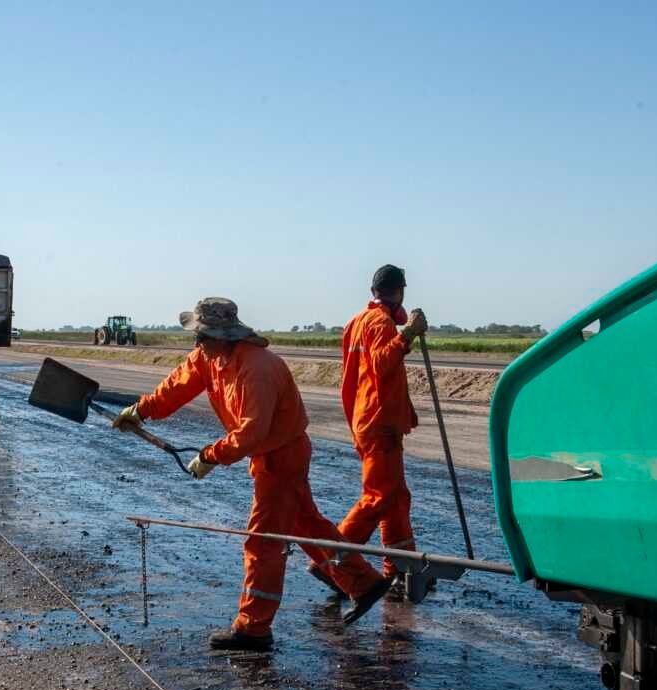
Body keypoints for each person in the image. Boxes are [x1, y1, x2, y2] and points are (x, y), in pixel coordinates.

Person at [113, 297, 392, 652]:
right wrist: (142, 410)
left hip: (281, 456)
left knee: (262, 542)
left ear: (224, 335)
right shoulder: (210, 357)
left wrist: (210, 456)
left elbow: (251, 433)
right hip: (270, 454)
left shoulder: (255, 368)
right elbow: (178, 384)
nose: (197, 343)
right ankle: (363, 582)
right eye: (196, 335)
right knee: (306, 524)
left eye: (202, 335)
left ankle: (253, 628)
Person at [337, 264, 427, 599]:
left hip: (369, 418)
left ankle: (399, 570)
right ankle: (333, 560)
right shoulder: (379, 322)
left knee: (397, 498)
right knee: (379, 496)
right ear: (399, 291)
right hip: (379, 422)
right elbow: (381, 363)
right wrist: (409, 334)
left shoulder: (357, 321)